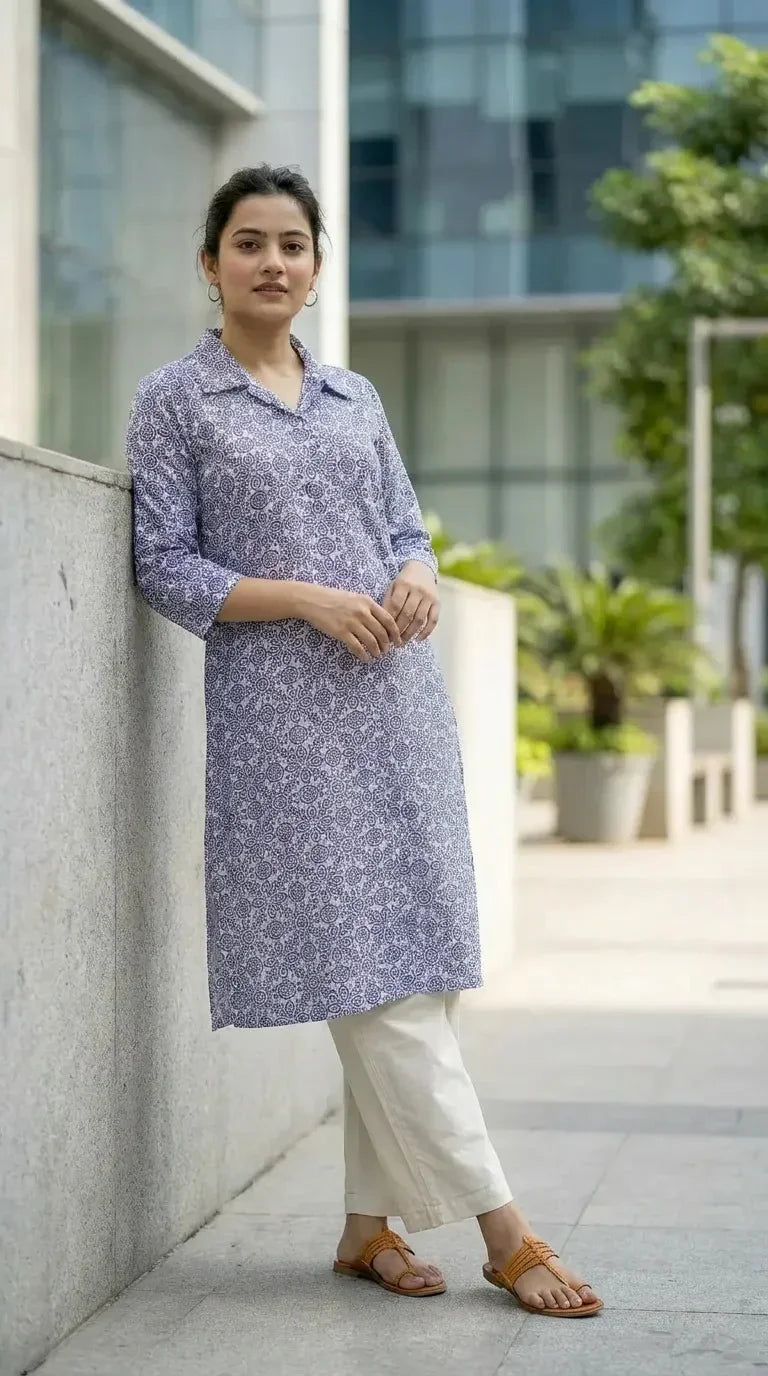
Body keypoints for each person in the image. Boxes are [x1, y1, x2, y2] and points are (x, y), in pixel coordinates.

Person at [125, 163, 603, 1318]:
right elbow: (164, 566)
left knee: (412, 978)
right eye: (249, 243)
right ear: (210, 263)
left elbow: (405, 525)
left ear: (318, 265)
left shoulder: (355, 397)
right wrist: (303, 596)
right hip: (282, 730)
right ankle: (507, 1230)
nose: (273, 262)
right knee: (375, 983)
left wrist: (413, 575)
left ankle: (365, 1226)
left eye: (293, 243)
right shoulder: (175, 399)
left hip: (395, 709)